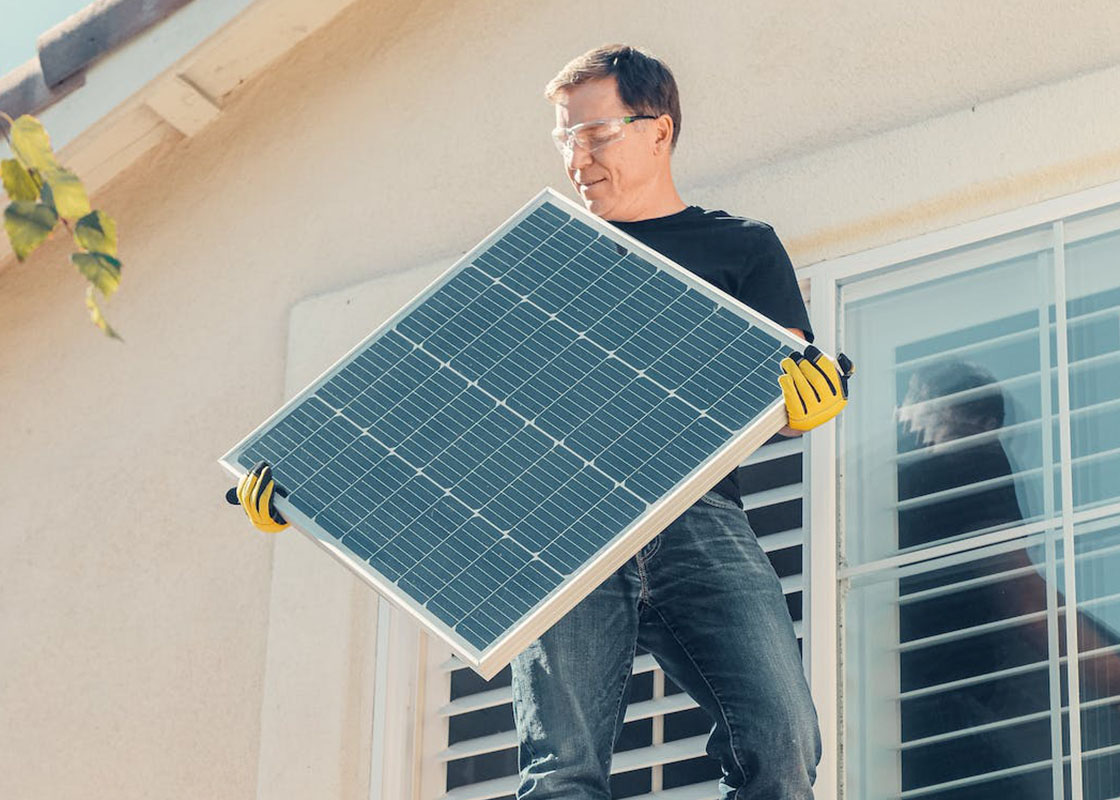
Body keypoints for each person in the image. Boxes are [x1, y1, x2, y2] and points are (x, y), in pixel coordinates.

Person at [228, 43, 853, 800]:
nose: (576, 159)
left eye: (595, 135)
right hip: (560, 534)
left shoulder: (739, 249)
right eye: (564, 138)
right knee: (560, 774)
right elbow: (427, 418)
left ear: (658, 130)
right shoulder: (534, 268)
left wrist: (804, 407)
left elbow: (780, 386)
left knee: (783, 745)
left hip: (699, 521)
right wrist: (306, 488)